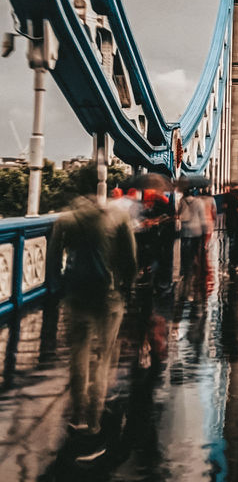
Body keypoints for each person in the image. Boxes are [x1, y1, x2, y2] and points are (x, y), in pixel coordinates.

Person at [48, 194, 137, 464]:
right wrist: (127, 286)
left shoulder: (65, 219)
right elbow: (130, 259)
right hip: (108, 297)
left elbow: (52, 260)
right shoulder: (118, 216)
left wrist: (60, 288)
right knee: (103, 358)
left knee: (78, 356)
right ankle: (93, 423)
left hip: (76, 295)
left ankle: (77, 418)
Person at [177, 187, 206, 292]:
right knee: (195, 252)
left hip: (185, 231)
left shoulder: (182, 201)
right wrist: (204, 231)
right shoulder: (199, 202)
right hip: (196, 231)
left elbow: (178, 214)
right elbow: (203, 218)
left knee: (185, 253)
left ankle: (185, 271)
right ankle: (194, 272)